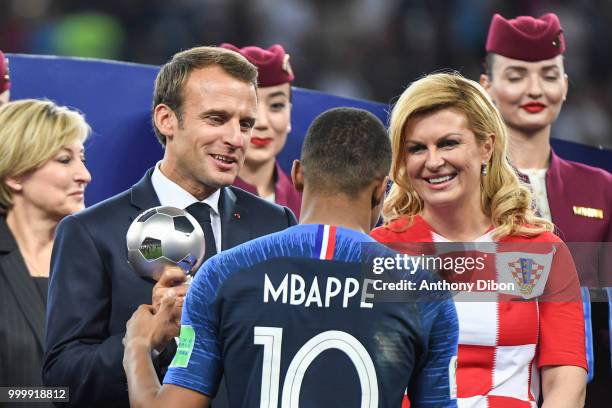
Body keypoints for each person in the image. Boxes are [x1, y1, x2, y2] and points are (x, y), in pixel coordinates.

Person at [122, 107, 459, 407]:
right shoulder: (422, 291)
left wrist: (137, 344)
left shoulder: (223, 274)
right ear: (379, 189)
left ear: (297, 174)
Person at [43, 46, 297, 407]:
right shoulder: (90, 232)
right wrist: (149, 344)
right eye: (216, 119)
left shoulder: (276, 223)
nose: (236, 139)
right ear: (166, 120)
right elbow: (61, 382)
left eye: (244, 123)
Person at [371, 72, 587, 407]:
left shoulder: (543, 251)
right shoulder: (378, 250)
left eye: (448, 143)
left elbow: (566, 382)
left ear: (487, 147)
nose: (433, 161)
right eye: (416, 148)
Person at [479, 13, 612, 404]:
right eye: (516, 75)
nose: (535, 89)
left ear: (566, 85)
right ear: (486, 86)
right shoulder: (461, 187)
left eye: (549, 75)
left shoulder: (602, 189)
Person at [0, 100, 91, 397]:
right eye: (64, 160)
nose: (84, 175)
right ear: (14, 174)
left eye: (82, 159)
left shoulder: (95, 261)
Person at [221, 43, 302, 218]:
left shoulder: (307, 206)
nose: (262, 122)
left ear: (290, 115)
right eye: (249, 105)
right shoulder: (199, 201)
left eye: (276, 105)